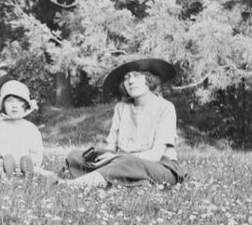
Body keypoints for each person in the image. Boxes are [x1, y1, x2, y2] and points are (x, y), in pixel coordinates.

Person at [62, 58, 185, 188]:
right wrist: (102, 157)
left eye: (136, 76)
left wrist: (115, 158)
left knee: (127, 161)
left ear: (150, 79)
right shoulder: (121, 107)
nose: (130, 81)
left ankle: (73, 184)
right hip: (121, 161)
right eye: (126, 78)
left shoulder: (165, 107)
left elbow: (155, 155)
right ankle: (110, 177)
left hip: (160, 166)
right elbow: (111, 148)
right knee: (75, 156)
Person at [0, 79, 56, 182]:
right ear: (3, 105)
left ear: (25, 106)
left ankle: (28, 176)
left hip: (24, 165)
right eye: (9, 101)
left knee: (39, 172)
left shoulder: (31, 129)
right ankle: (8, 174)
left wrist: (29, 163)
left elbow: (37, 155)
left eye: (19, 101)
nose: (14, 105)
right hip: (0, 165)